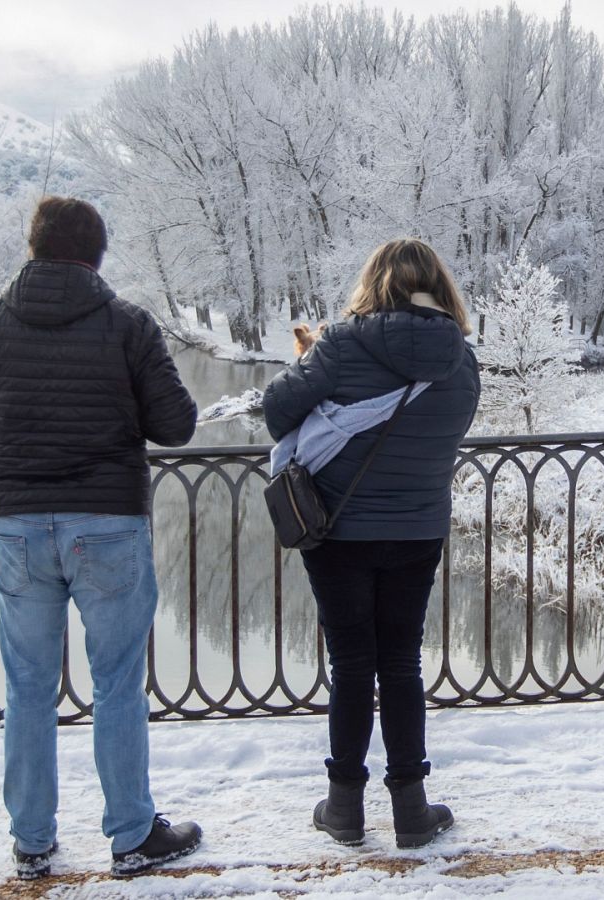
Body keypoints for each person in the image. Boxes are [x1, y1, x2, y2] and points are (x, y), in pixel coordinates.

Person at [0, 196, 203, 879]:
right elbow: (176, 425)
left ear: (34, 247)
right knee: (116, 683)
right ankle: (133, 835)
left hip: (18, 523)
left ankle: (31, 839)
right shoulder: (128, 325)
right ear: (97, 254)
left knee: (27, 685)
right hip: (106, 523)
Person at [262, 238, 481, 849]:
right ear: (439, 287)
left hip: (339, 530)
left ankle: (345, 808)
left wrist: (312, 368)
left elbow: (276, 411)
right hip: (417, 528)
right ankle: (410, 808)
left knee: (353, 665)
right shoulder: (460, 359)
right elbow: (451, 426)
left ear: (374, 282)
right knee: (402, 664)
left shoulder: (342, 344)